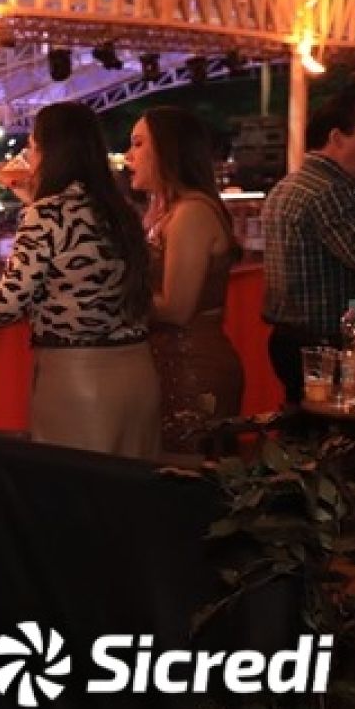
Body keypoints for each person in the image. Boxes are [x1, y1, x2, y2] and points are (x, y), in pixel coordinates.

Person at [0, 101, 160, 458]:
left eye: (33, 147)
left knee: (78, 487)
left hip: (79, 379)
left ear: (50, 152)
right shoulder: (120, 210)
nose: (30, 158)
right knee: (132, 486)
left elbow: (5, 306)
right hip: (138, 372)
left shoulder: (46, 215)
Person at [126, 107, 244, 454]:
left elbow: (177, 308)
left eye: (138, 144)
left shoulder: (191, 212)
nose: (129, 156)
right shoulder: (165, 213)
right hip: (168, 362)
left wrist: (111, 297)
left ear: (168, 150)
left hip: (192, 367)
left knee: (188, 470)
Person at [262, 86, 355, 404]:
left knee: (305, 423)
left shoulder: (290, 185)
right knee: (339, 427)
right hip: (327, 346)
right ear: (337, 137)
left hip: (292, 340)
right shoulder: (329, 191)